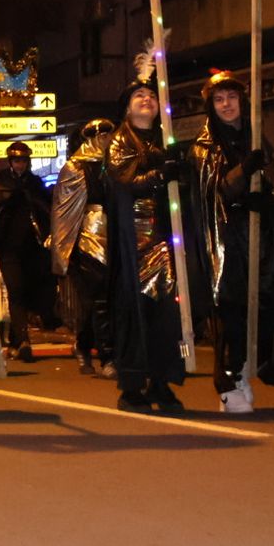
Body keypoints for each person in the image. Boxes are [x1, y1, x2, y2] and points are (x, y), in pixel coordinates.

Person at [190, 70, 274, 414]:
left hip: (262, 239)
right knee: (232, 313)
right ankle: (229, 379)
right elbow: (216, 192)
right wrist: (244, 171)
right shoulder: (204, 147)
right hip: (228, 243)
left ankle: (246, 368)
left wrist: (267, 202)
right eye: (219, 99)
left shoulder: (258, 138)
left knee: (270, 306)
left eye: (231, 97)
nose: (226, 104)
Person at [105, 71, 186, 413]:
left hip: (164, 239)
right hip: (133, 243)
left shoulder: (165, 140)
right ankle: (132, 385)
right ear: (127, 108)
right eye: (138, 95)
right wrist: (159, 173)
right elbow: (125, 181)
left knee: (166, 314)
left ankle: (162, 382)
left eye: (151, 95)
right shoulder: (119, 142)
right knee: (134, 312)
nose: (146, 99)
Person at [51, 118, 116, 377]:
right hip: (88, 240)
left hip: (116, 236)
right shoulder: (75, 168)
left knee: (105, 299)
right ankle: (108, 356)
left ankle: (84, 344)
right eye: (102, 135)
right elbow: (63, 210)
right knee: (99, 298)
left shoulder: (117, 163)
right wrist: (63, 248)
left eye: (110, 135)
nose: (107, 140)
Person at [0, 140, 52, 362]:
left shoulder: (34, 183)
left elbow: (44, 210)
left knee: (27, 291)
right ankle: (23, 340)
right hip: (7, 247)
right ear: (10, 161)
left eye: (23, 160)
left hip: (31, 248)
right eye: (16, 160)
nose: (20, 164)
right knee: (15, 290)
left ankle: (16, 340)